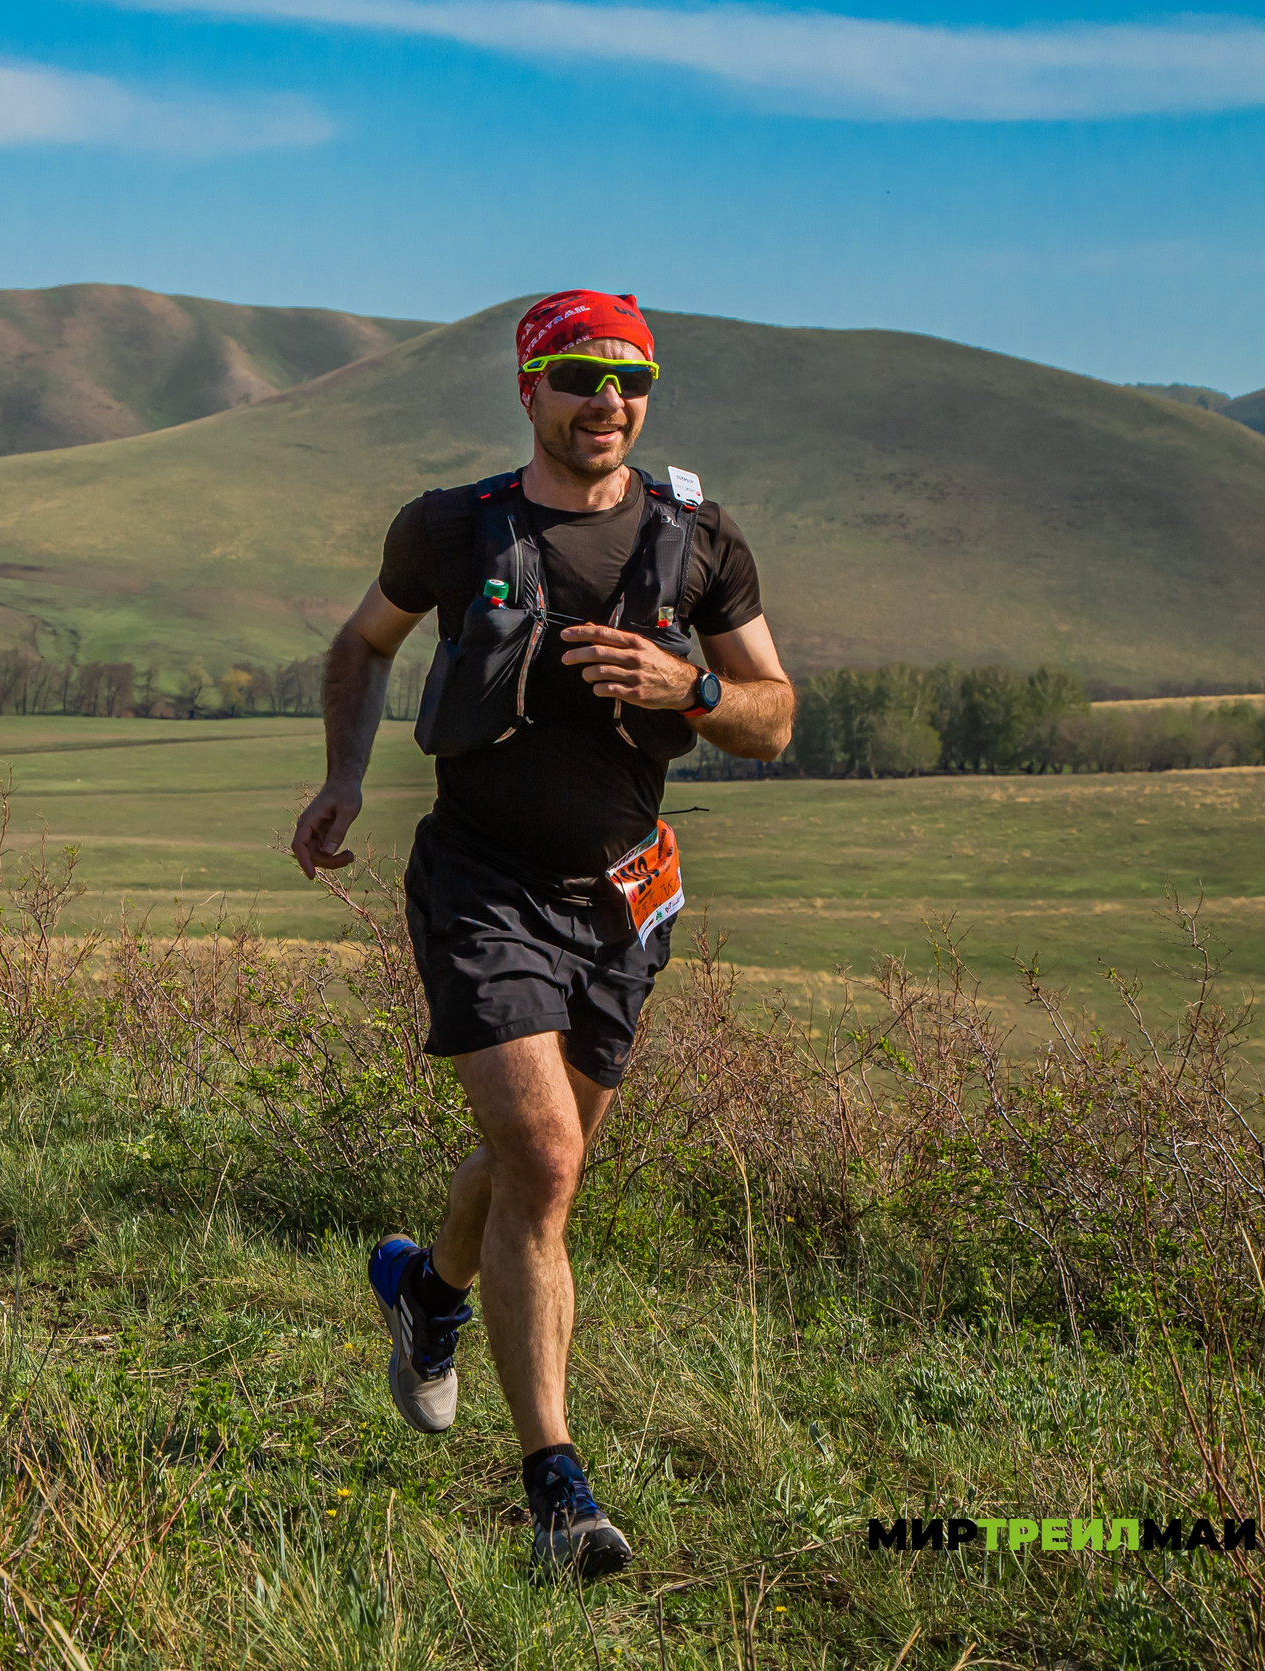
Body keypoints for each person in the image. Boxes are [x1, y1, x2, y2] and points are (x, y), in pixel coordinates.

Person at [289, 290, 794, 1580]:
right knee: (546, 1157)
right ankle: (557, 1494)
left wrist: (691, 687)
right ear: (529, 390)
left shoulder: (698, 536)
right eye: (577, 376)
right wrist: (344, 777)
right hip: (482, 882)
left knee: (538, 1173)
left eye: (630, 379)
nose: (605, 402)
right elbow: (362, 645)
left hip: (619, 898)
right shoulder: (452, 528)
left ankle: (428, 1292)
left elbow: (773, 715)